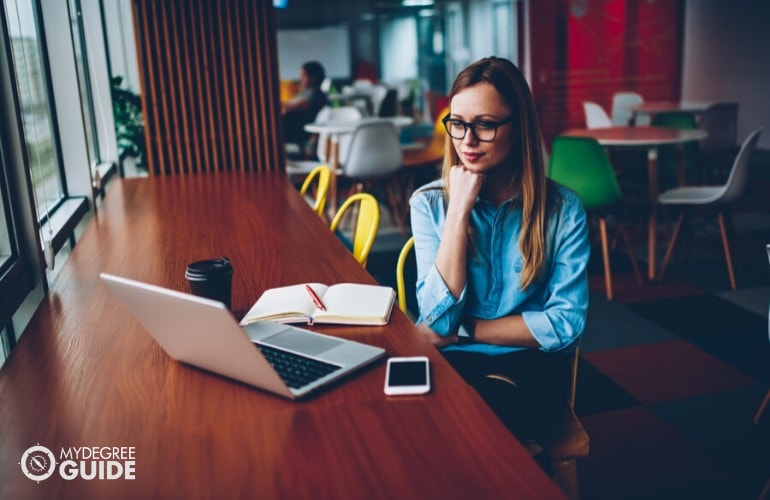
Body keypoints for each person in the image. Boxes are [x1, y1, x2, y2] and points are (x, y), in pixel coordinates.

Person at [409, 57, 590, 454]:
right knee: (407, 421)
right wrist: (458, 212)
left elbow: (565, 324)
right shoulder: (429, 204)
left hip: (529, 365)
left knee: (475, 425)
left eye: (485, 125)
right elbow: (438, 318)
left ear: (519, 127)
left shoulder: (562, 209)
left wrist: (463, 332)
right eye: (457, 123)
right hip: (449, 360)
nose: (467, 140)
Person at [282, 61, 328, 155]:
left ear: (313, 78)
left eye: (303, 75)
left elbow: (287, 109)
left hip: (298, 131)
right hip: (291, 127)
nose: (300, 78)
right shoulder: (305, 92)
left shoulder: (315, 94)